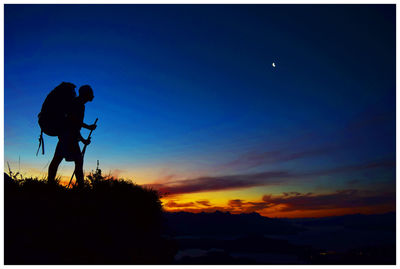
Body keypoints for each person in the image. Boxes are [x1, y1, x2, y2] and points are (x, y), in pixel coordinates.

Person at [48, 85, 97, 187]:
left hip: (64, 136)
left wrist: (88, 127)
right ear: (86, 94)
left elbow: (75, 122)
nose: (92, 96)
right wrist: (83, 140)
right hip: (69, 137)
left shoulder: (75, 102)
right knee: (78, 162)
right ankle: (81, 189)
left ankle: (50, 185)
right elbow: (74, 124)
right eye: (90, 93)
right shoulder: (79, 105)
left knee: (56, 160)